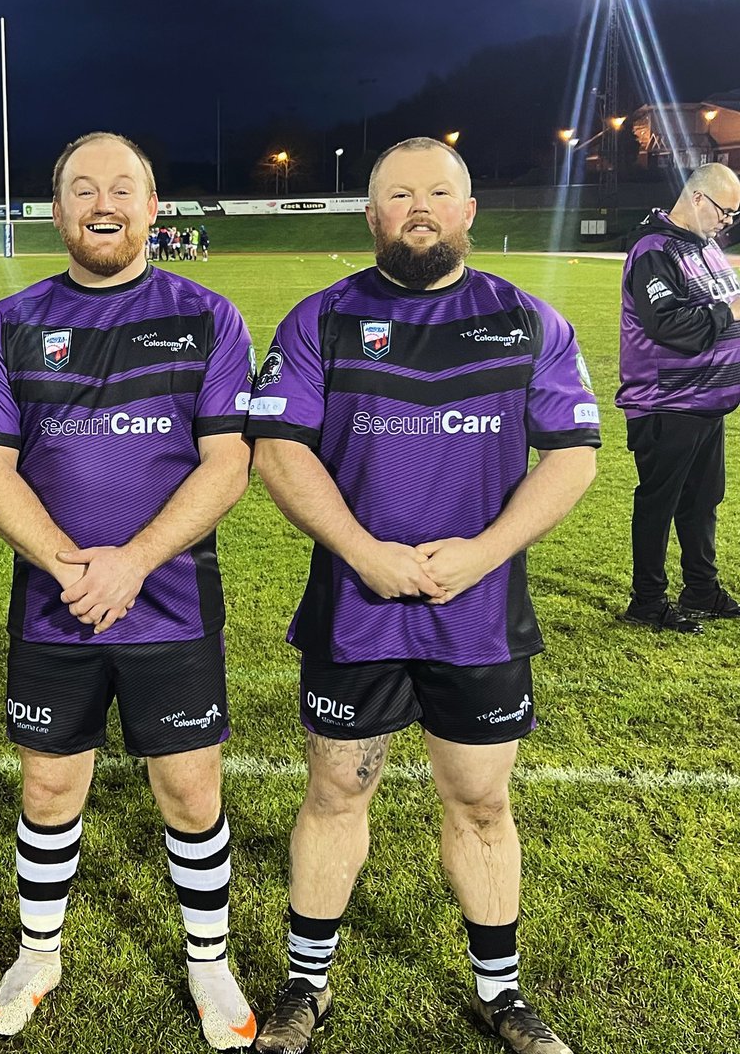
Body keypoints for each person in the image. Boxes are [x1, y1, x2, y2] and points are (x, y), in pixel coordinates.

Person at [246, 137, 599, 1054]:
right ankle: (305, 988)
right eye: (398, 194)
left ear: (468, 212)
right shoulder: (319, 320)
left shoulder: (530, 323)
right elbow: (280, 449)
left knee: (481, 802)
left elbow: (571, 455)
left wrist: (484, 553)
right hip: (357, 608)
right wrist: (364, 552)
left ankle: (500, 993)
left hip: (477, 614)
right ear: (370, 215)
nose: (419, 208)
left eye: (438, 192)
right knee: (334, 792)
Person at [0, 132, 256, 1049]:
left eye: (122, 186)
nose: (102, 201)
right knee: (48, 786)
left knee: (190, 788)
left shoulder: (209, 316)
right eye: (82, 187)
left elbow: (227, 462)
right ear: (57, 211)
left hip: (169, 599)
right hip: (54, 600)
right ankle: (38, 954)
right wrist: (66, 562)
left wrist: (132, 560)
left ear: (151, 207)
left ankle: (209, 962)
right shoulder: (10, 324)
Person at [617, 162, 740, 633]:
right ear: (697, 198)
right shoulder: (654, 249)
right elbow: (668, 325)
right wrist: (729, 310)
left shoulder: (706, 247)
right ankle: (647, 601)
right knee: (659, 503)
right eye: (724, 212)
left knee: (703, 499)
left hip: (706, 402)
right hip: (666, 403)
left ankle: (701, 590)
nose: (727, 222)